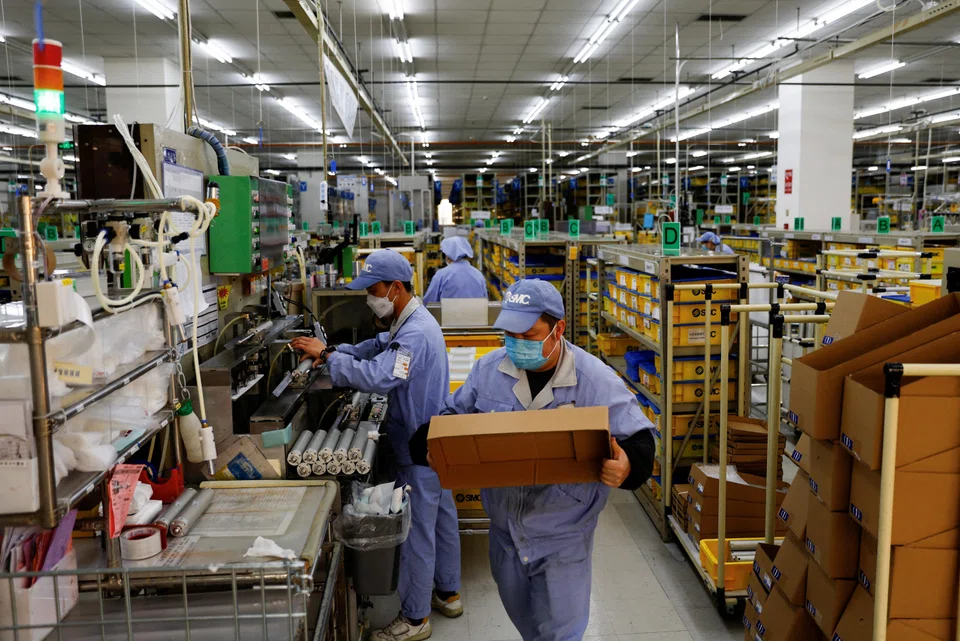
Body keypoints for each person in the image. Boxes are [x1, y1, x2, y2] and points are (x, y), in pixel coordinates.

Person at [425, 279, 655, 641]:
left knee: (561, 632)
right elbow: (454, 415)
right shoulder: (489, 370)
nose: (516, 343)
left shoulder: (592, 378)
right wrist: (431, 444)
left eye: (528, 334)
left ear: (558, 329)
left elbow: (640, 439)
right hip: (503, 533)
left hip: (564, 533)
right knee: (528, 625)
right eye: (509, 334)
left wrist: (626, 466)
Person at [291, 249, 461, 641]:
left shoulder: (415, 333)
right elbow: (378, 347)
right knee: (443, 518)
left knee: (418, 531)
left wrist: (330, 360)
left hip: (418, 443)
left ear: (396, 288)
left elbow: (381, 377)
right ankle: (448, 593)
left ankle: (416, 619)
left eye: (373, 289)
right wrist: (333, 351)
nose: (369, 296)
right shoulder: (410, 321)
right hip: (435, 436)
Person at [422, 236, 487, 303]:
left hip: (447, 313)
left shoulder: (441, 275)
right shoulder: (479, 275)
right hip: (476, 313)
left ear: (448, 255)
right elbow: (485, 303)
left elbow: (429, 303)